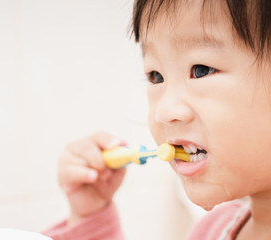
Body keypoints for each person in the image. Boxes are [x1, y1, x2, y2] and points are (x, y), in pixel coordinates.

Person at [43, 0, 271, 239]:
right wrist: (90, 216)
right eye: (156, 76)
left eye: (201, 69)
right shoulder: (212, 231)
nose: (163, 111)